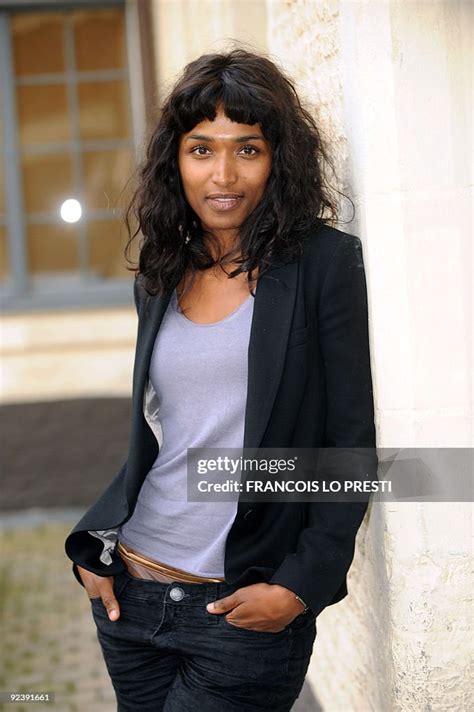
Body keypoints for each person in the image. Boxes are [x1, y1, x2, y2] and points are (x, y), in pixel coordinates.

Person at [65, 46, 377, 711]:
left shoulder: (321, 265)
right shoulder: (161, 270)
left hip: (241, 610)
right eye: (202, 150)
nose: (223, 175)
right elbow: (165, 429)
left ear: (278, 159)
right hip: (133, 594)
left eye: (248, 149)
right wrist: (96, 549)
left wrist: (303, 584)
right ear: (175, 162)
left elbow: (348, 439)